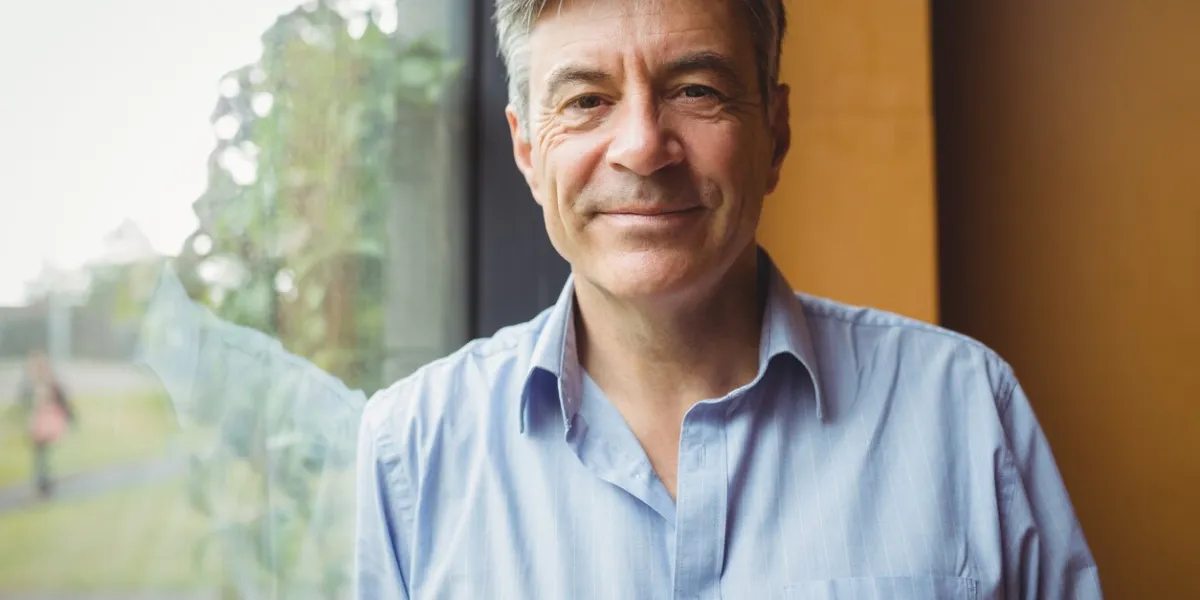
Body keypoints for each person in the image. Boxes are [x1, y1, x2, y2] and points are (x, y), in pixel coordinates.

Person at [355, 0, 1103, 597]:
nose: (643, 147)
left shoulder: (966, 409)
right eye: (587, 100)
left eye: (696, 90)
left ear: (774, 133)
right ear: (527, 150)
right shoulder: (412, 450)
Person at [17, 351, 74, 498]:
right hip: (40, 424)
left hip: (46, 424)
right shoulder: (34, 383)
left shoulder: (50, 384)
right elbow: (23, 398)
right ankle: (43, 484)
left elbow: (62, 401)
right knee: (41, 457)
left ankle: (44, 485)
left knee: (43, 457)